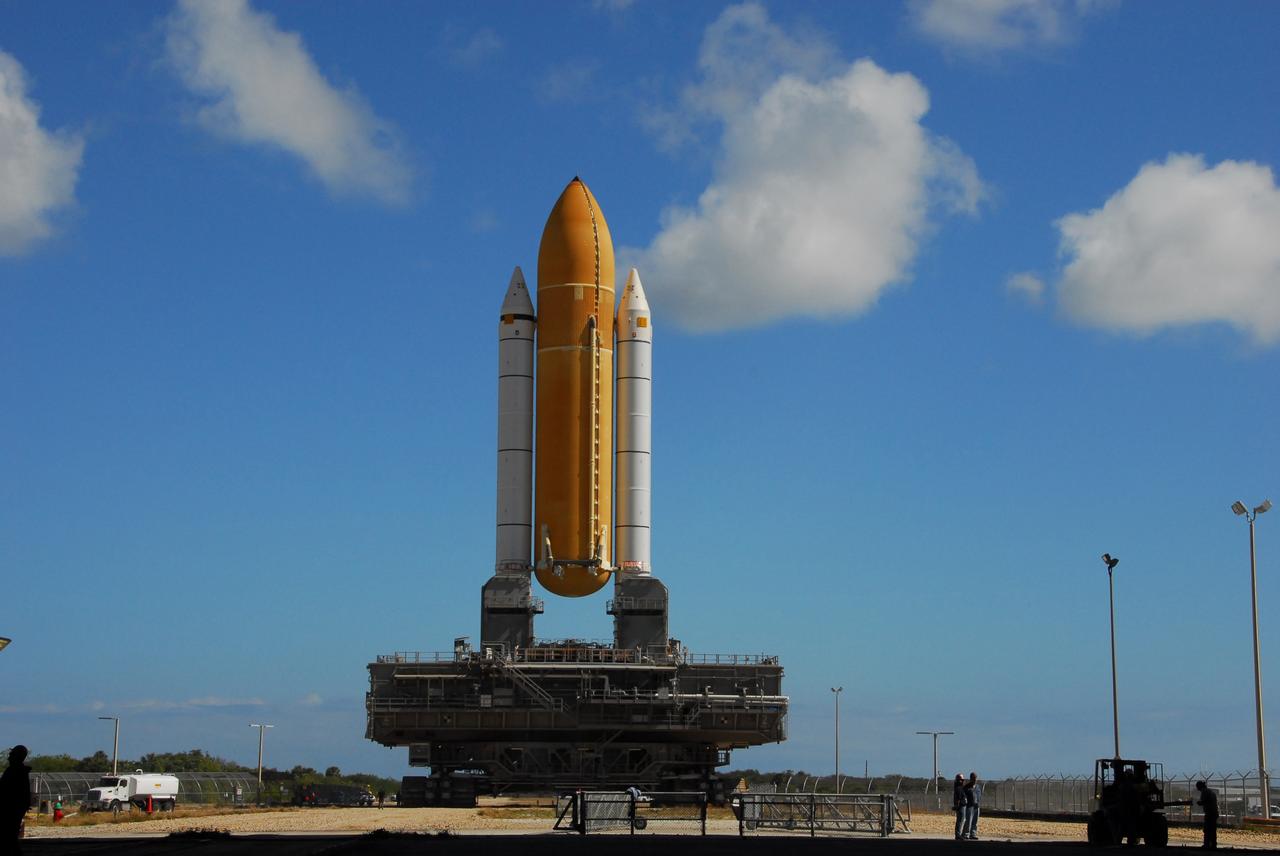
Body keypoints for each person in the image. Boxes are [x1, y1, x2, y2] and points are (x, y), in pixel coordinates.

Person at [1, 745, 32, 854]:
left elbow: (4, 789)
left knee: (8, 836)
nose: (9, 757)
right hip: (17, 808)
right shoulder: (21, 772)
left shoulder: (13, 772)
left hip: (10, 808)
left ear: (16, 756)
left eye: (11, 755)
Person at [1195, 780, 1218, 850]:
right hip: (1214, 813)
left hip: (1210, 813)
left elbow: (1205, 801)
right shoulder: (1210, 791)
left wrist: (1199, 803)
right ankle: (1213, 844)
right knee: (1213, 830)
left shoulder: (1204, 792)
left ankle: (1207, 844)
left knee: (1207, 829)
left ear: (1199, 786)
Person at [962, 771, 981, 840]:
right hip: (969, 806)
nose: (975, 780)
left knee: (975, 821)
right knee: (968, 821)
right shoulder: (966, 787)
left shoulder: (978, 787)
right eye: (973, 779)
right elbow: (963, 795)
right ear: (971, 778)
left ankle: (973, 834)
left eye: (976, 779)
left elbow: (979, 795)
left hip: (976, 806)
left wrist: (978, 803)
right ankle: (966, 834)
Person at [952, 774, 966, 840]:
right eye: (961, 780)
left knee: (961, 820)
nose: (962, 781)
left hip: (962, 806)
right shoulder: (958, 788)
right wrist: (957, 806)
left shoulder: (960, 787)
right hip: (961, 806)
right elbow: (958, 798)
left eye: (963, 780)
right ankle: (958, 834)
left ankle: (959, 834)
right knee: (960, 820)